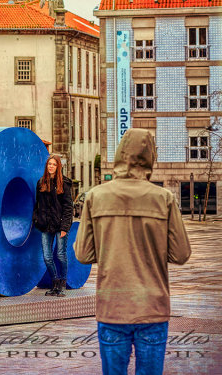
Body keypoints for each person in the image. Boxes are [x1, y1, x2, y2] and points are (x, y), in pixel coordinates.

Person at [75, 128, 191, 375]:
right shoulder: (164, 198)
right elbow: (181, 254)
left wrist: (110, 247)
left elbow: (83, 254)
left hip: (112, 305)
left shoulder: (95, 197)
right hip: (152, 307)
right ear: (150, 157)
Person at [32, 154, 73, 297]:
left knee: (61, 255)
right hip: (45, 225)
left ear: (58, 167)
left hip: (60, 225)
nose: (51, 166)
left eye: (54, 164)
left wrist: (64, 228)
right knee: (47, 257)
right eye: (49, 164)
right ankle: (55, 283)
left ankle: (62, 285)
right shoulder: (41, 183)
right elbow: (37, 204)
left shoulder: (65, 184)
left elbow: (69, 207)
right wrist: (37, 219)